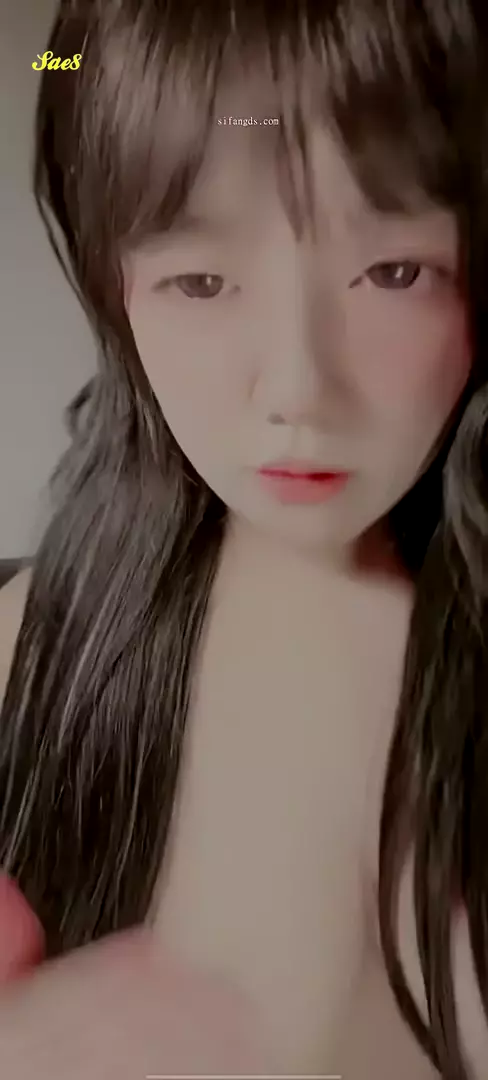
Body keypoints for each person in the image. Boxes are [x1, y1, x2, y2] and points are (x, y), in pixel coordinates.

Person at [0, 0, 487, 1076]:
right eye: (201, 281)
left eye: (393, 272)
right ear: (113, 291)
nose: (297, 386)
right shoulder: (29, 642)